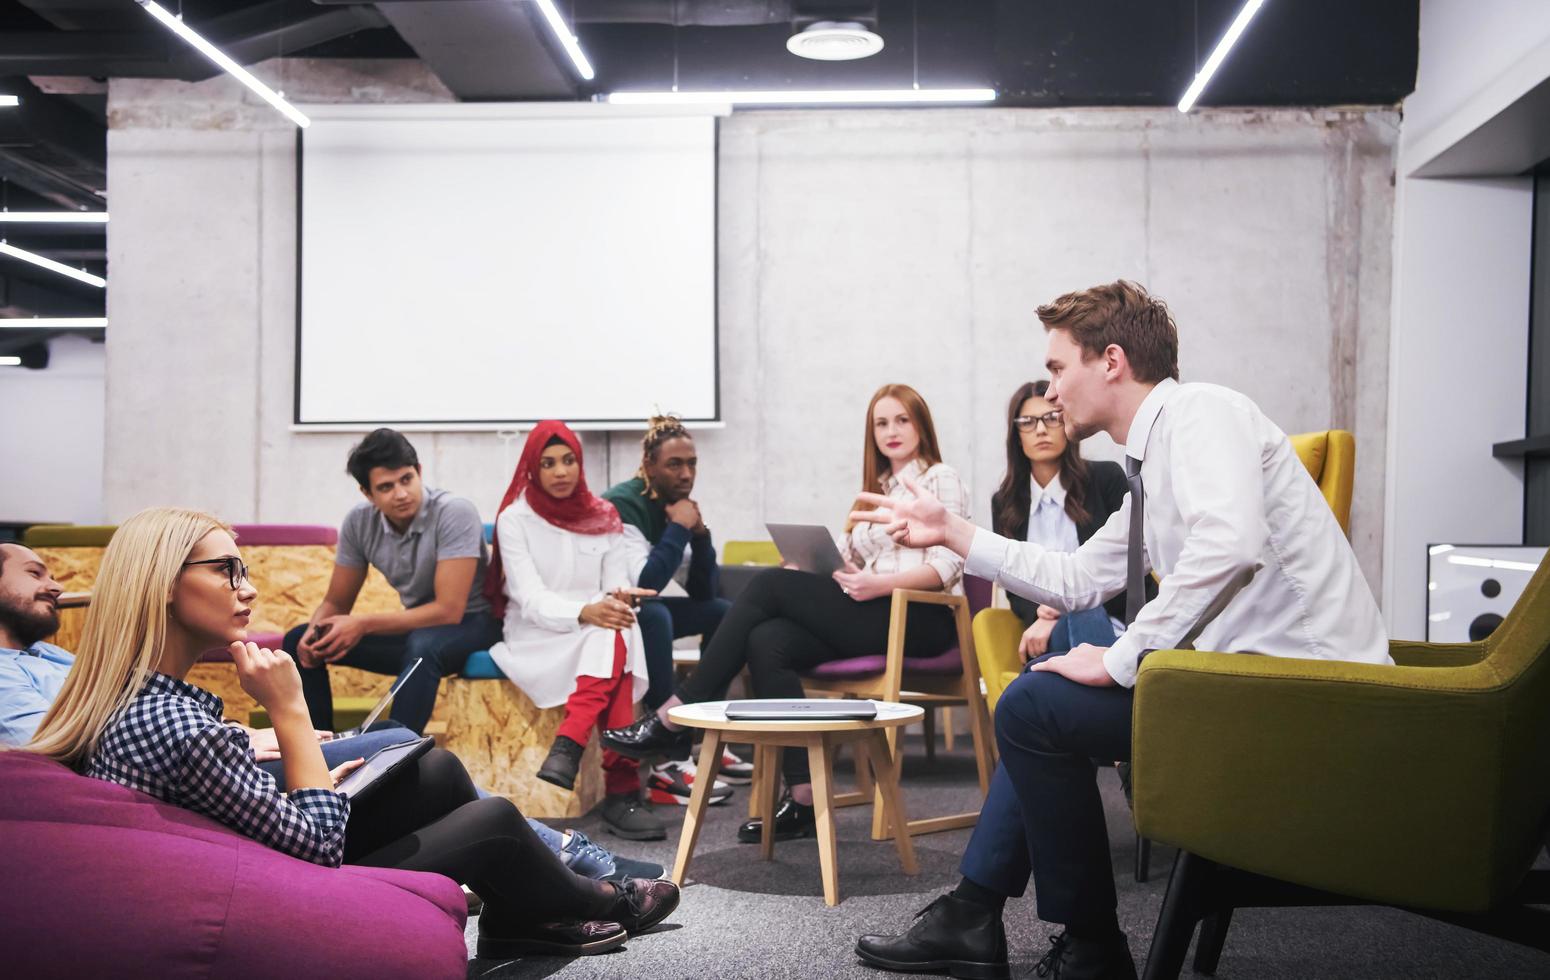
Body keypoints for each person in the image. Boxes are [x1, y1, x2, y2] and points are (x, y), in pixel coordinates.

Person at [849, 281, 1389, 979]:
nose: (1048, 392)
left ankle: (1058, 938)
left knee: (1034, 706)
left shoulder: (1203, 412)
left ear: (1110, 361)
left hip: (1305, 696)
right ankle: (992, 920)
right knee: (1036, 704)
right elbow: (1073, 578)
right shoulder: (1153, 463)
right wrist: (952, 532)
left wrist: (1121, 656)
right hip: (1243, 685)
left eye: (1055, 368)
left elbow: (1229, 546)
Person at [17, 508, 679, 958]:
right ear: (162, 585)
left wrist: (299, 774)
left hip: (246, 862)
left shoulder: (134, 699)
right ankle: (594, 898)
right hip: (282, 893)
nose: (246, 589)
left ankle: (526, 913)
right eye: (225, 570)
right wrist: (289, 711)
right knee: (496, 820)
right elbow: (316, 847)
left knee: (436, 771)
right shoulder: (183, 726)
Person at [603, 383, 970, 844]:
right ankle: (802, 796)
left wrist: (876, 583)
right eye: (881, 422)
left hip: (920, 617)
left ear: (922, 425)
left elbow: (949, 563)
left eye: (902, 420)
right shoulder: (875, 493)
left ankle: (676, 712)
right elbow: (852, 561)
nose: (891, 431)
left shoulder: (941, 477)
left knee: (769, 587)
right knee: (768, 638)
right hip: (870, 610)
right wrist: (815, 564)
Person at [485, 422, 665, 842]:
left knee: (616, 627)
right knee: (613, 634)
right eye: (548, 463)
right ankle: (622, 792)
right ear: (533, 467)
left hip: (596, 629)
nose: (561, 472)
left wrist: (615, 599)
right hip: (536, 634)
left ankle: (570, 744)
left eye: (568, 460)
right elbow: (529, 597)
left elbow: (614, 584)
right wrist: (586, 610)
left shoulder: (604, 515)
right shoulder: (515, 520)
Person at [282, 428, 503, 735]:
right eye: (386, 487)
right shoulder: (359, 522)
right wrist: (315, 631)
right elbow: (336, 603)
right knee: (298, 641)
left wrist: (361, 623)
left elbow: (448, 611)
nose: (401, 493)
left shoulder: (455, 512)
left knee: (423, 646)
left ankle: (393, 753)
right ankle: (319, 752)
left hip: (474, 623)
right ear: (367, 493)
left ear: (419, 472)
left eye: (407, 479)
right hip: (420, 632)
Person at [602, 415, 746, 805]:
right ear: (649, 466)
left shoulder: (676, 504)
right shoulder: (624, 503)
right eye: (674, 464)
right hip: (609, 610)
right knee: (656, 614)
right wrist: (680, 528)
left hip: (642, 605)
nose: (686, 474)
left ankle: (705, 738)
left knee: (723, 612)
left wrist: (701, 537)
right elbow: (645, 585)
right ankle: (670, 756)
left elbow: (702, 591)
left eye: (692, 463)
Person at [990, 380, 1154, 660]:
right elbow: (1014, 585)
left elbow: (1130, 569)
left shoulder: (1106, 480)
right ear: (1016, 435)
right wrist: (1041, 615)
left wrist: (1062, 607)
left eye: (1051, 418)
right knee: (1077, 619)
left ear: (1066, 422)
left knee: (1084, 610)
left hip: (1123, 624)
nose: (1040, 430)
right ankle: (1110, 698)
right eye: (1028, 422)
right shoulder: (1006, 502)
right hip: (1048, 633)